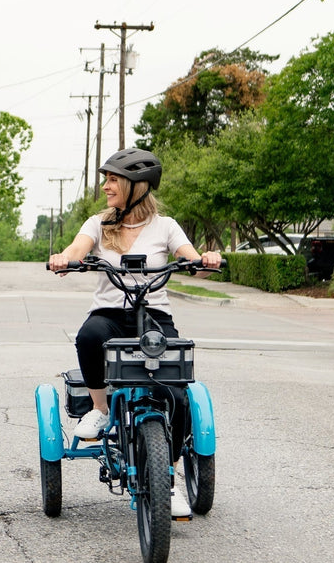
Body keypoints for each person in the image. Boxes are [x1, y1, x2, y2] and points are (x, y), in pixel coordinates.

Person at [48, 147, 222, 519]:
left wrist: (205, 261)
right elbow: (77, 249)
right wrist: (66, 259)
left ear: (136, 186)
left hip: (155, 316)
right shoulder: (97, 223)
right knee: (89, 336)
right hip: (110, 314)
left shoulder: (166, 226)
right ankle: (98, 408)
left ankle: (169, 478)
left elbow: (190, 258)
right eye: (106, 179)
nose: (106, 186)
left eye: (113, 179)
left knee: (177, 393)